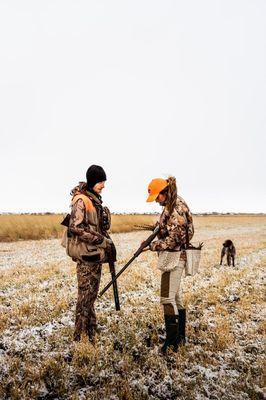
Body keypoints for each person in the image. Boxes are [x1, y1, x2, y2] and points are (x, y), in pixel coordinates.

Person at [145, 177, 194, 353]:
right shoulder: (175, 203)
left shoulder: (174, 208)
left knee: (167, 298)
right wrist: (159, 228)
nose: (156, 201)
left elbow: (174, 239)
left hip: (173, 258)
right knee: (176, 298)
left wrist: (152, 246)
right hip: (177, 256)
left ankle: (171, 345)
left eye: (157, 197)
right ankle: (180, 338)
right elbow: (176, 230)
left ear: (164, 192)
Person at [68, 165, 112, 342]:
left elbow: (97, 226)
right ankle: (79, 336)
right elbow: (75, 228)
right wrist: (100, 240)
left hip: (94, 255)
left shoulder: (94, 200)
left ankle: (91, 330)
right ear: (93, 181)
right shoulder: (81, 200)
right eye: (101, 182)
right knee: (85, 296)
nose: (103, 185)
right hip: (86, 255)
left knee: (91, 295)